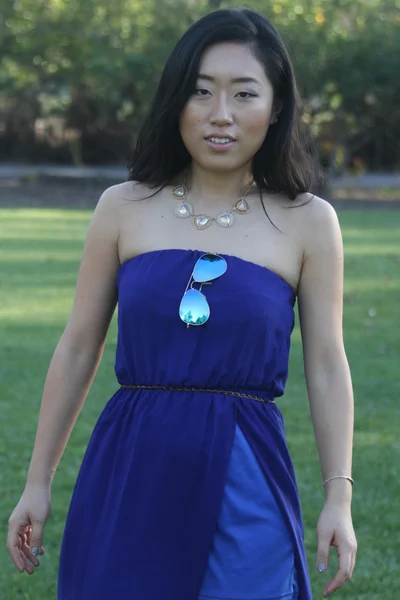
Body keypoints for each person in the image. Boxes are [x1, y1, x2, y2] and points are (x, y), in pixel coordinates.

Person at [7, 7, 357, 600]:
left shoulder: (309, 222)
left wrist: (339, 497)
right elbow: (77, 348)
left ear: (275, 109)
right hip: (131, 465)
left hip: (245, 473)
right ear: (176, 102)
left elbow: (326, 363)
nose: (220, 115)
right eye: (201, 92)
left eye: (244, 94)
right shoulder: (122, 207)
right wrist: (36, 481)